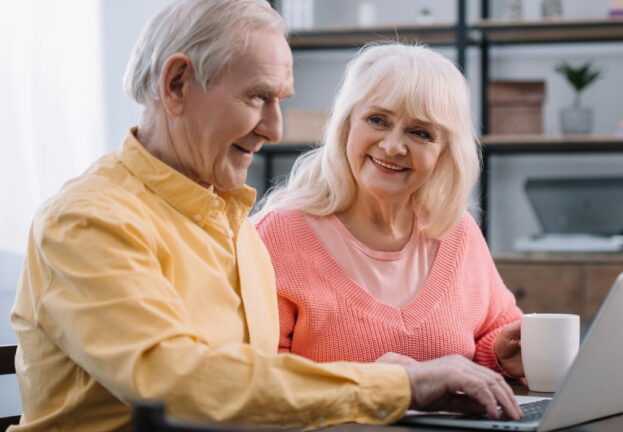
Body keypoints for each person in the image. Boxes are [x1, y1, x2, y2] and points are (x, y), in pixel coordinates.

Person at [10, 1, 523, 430]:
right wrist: (400, 383)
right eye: (258, 97)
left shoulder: (231, 223)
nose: (275, 129)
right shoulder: (88, 222)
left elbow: (264, 380)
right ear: (177, 84)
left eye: (280, 101)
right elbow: (172, 380)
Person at [255, 43, 525, 378]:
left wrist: (500, 353)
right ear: (346, 125)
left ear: (445, 152)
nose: (393, 146)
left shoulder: (458, 232)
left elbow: (492, 332)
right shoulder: (278, 234)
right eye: (378, 120)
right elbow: (259, 376)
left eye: (420, 132)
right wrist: (375, 381)